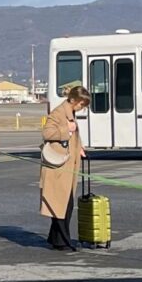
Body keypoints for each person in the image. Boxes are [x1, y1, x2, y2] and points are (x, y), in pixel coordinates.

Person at [39, 84, 90, 252]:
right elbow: (47, 133)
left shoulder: (70, 112)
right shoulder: (59, 113)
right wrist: (65, 129)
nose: (82, 108)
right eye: (81, 104)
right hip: (58, 166)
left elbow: (75, 136)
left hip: (67, 165)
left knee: (64, 203)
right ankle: (63, 240)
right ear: (74, 100)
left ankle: (56, 239)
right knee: (62, 205)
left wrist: (80, 147)